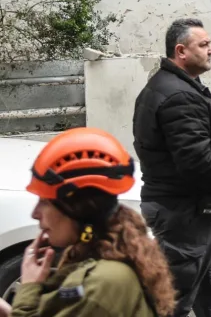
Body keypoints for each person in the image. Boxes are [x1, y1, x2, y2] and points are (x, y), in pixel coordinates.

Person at [1, 127, 175, 317]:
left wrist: (29, 286)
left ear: (76, 207)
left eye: (44, 202)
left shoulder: (103, 283)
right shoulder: (100, 262)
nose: (35, 214)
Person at [133, 18, 211, 317]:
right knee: (175, 300)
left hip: (201, 210)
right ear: (181, 51)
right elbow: (195, 160)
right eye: (203, 45)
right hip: (183, 214)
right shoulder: (178, 95)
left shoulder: (176, 86)